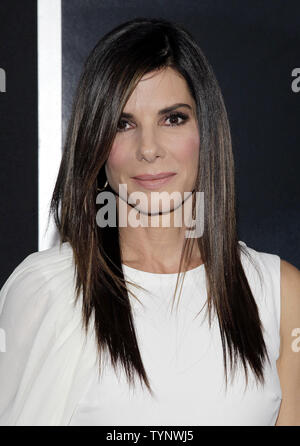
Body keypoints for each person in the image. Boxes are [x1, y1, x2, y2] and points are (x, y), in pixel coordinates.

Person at [0, 17, 299, 427]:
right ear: (96, 143)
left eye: (172, 118)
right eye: (124, 124)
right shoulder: (48, 290)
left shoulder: (279, 293)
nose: (149, 148)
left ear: (206, 131)